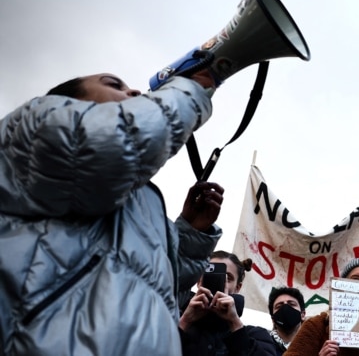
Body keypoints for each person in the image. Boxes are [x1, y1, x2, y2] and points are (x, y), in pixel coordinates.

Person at [0, 69, 225, 355]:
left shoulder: (144, 199)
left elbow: (148, 280)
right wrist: (191, 88)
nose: (135, 93)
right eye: (113, 85)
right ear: (70, 103)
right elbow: (111, 140)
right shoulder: (36, 121)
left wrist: (192, 231)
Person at [179, 250, 278, 355]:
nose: (220, 281)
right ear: (199, 281)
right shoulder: (174, 320)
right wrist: (184, 322)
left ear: (237, 288)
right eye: (212, 274)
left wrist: (235, 324)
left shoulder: (255, 335)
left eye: (228, 278)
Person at [268, 286, 307, 354]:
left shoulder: (316, 344)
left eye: (291, 304)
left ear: (302, 315)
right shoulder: (262, 345)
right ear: (273, 319)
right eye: (279, 306)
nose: (285, 308)